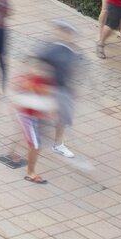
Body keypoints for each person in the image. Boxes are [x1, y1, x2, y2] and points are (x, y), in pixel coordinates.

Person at [37, 21, 84, 164]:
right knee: (42, 113)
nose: (68, 36)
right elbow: (38, 64)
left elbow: (74, 70)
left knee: (62, 117)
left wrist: (73, 88)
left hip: (63, 89)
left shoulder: (72, 51)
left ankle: (58, 144)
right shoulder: (51, 49)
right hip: (48, 88)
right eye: (65, 32)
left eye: (70, 34)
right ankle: (36, 133)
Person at [1, 60, 55, 184]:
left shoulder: (42, 82)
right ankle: (31, 173)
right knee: (35, 145)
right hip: (26, 116)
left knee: (30, 138)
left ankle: (13, 151)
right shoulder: (31, 81)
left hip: (34, 115)